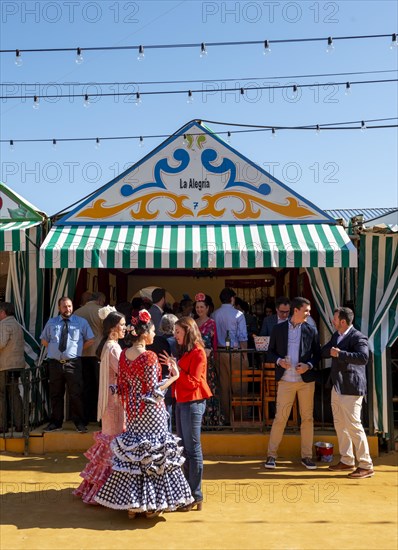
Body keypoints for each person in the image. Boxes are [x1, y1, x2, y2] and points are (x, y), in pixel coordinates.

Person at [94, 309, 193, 518]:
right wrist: (174, 376)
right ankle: (150, 505)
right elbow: (154, 392)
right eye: (153, 330)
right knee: (154, 457)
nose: (155, 334)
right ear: (145, 332)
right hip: (151, 413)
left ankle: (132, 505)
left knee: (135, 457)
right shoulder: (148, 356)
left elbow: (121, 386)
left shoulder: (125, 354)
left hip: (133, 413)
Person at [74, 308, 126, 503]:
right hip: (114, 402)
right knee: (114, 443)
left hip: (111, 401)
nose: (124, 329)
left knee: (109, 443)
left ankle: (99, 488)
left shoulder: (108, 346)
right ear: (112, 327)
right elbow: (122, 372)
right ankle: (107, 491)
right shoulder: (113, 348)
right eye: (121, 325)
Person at [160, 317, 212, 511]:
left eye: (178, 332)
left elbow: (193, 382)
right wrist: (176, 368)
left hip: (193, 401)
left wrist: (177, 369)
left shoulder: (198, 352)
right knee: (186, 448)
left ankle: (195, 494)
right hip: (184, 401)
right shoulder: (189, 351)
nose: (175, 335)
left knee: (192, 449)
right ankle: (188, 493)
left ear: (187, 332)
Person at [264, 297, 320, 470]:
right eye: (306, 310)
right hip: (286, 380)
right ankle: (271, 455)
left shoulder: (311, 330)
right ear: (296, 310)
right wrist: (279, 361)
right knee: (280, 418)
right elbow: (269, 352)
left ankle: (307, 456)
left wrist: (308, 365)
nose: (309, 313)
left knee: (308, 418)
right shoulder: (278, 329)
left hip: (305, 381)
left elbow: (317, 354)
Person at [322, 307, 374, 479]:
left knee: (353, 425)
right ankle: (347, 459)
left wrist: (340, 353)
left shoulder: (358, 337)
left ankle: (366, 465)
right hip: (338, 386)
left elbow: (363, 357)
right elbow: (326, 350)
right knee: (340, 424)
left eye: (335, 319)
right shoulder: (337, 336)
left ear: (343, 321)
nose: (333, 321)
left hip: (351, 387)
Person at [40, 297, 95, 433]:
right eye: (64, 306)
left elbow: (91, 340)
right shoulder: (52, 322)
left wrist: (76, 350)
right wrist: (55, 351)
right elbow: (44, 340)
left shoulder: (80, 322)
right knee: (56, 394)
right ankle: (56, 422)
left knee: (76, 393)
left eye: (69, 306)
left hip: (73, 363)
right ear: (59, 308)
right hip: (55, 364)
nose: (67, 309)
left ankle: (79, 422)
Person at [212, 287, 248, 425]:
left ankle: (227, 418)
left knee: (224, 387)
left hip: (220, 353)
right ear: (232, 298)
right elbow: (242, 336)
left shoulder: (215, 314)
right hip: (235, 352)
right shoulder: (238, 314)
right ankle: (240, 418)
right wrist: (244, 353)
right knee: (239, 386)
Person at [74, 292, 106, 424]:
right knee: (100, 385)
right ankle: (100, 417)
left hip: (82, 352)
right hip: (98, 352)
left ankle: (85, 416)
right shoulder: (101, 312)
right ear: (99, 300)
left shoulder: (77, 312)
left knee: (85, 386)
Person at [194, 292, 224, 428]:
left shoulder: (211, 323)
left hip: (207, 362)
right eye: (197, 307)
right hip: (195, 361)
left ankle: (211, 420)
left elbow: (214, 343)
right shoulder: (193, 323)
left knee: (209, 388)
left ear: (207, 308)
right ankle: (199, 420)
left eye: (202, 307)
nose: (199, 309)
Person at [0, 302, 24, 433]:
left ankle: (2, 426)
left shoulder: (4, 324)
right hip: (17, 365)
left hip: (5, 365)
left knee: (2, 395)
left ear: (3, 312)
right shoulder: (17, 324)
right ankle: (19, 424)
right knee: (15, 394)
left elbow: (1, 343)